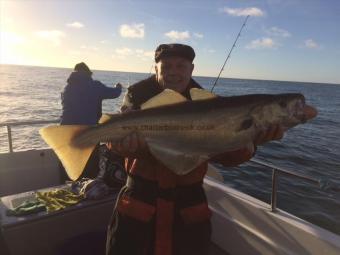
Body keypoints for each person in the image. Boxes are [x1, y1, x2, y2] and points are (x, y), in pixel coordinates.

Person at [105, 44, 284, 255]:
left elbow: (227, 157)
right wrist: (127, 147)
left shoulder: (209, 103)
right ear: (155, 69)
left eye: (181, 66)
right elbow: (112, 139)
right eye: (167, 66)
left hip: (188, 207)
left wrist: (250, 140)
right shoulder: (136, 96)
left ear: (191, 69)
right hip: (140, 201)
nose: (173, 71)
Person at [60, 62, 123, 180]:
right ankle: (87, 190)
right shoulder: (95, 86)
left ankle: (68, 189)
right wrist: (118, 87)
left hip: (66, 133)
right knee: (90, 167)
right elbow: (114, 93)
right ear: (89, 73)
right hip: (89, 133)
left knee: (68, 165)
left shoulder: (66, 88)